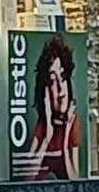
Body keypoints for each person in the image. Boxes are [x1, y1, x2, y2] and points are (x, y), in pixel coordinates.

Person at [28, 36, 80, 180]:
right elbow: (26, 179)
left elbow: (75, 179)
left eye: (63, 77)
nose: (61, 90)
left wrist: (64, 143)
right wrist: (47, 137)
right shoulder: (43, 126)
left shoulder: (72, 121)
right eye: (52, 81)